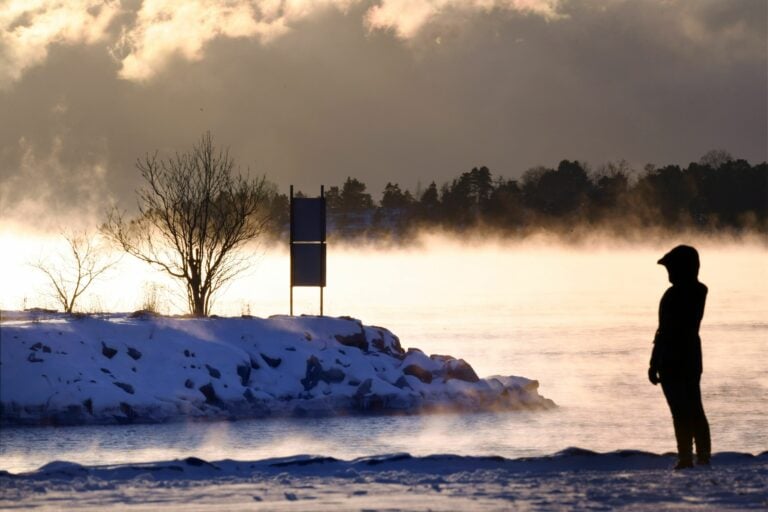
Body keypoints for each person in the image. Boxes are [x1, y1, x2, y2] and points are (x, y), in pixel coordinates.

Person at [648, 245, 711, 470]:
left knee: (681, 410)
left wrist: (654, 362)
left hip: (672, 357)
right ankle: (702, 455)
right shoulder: (700, 291)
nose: (669, 273)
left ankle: (686, 457)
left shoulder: (675, 294)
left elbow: (664, 330)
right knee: (694, 407)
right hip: (692, 355)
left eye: (672, 268)